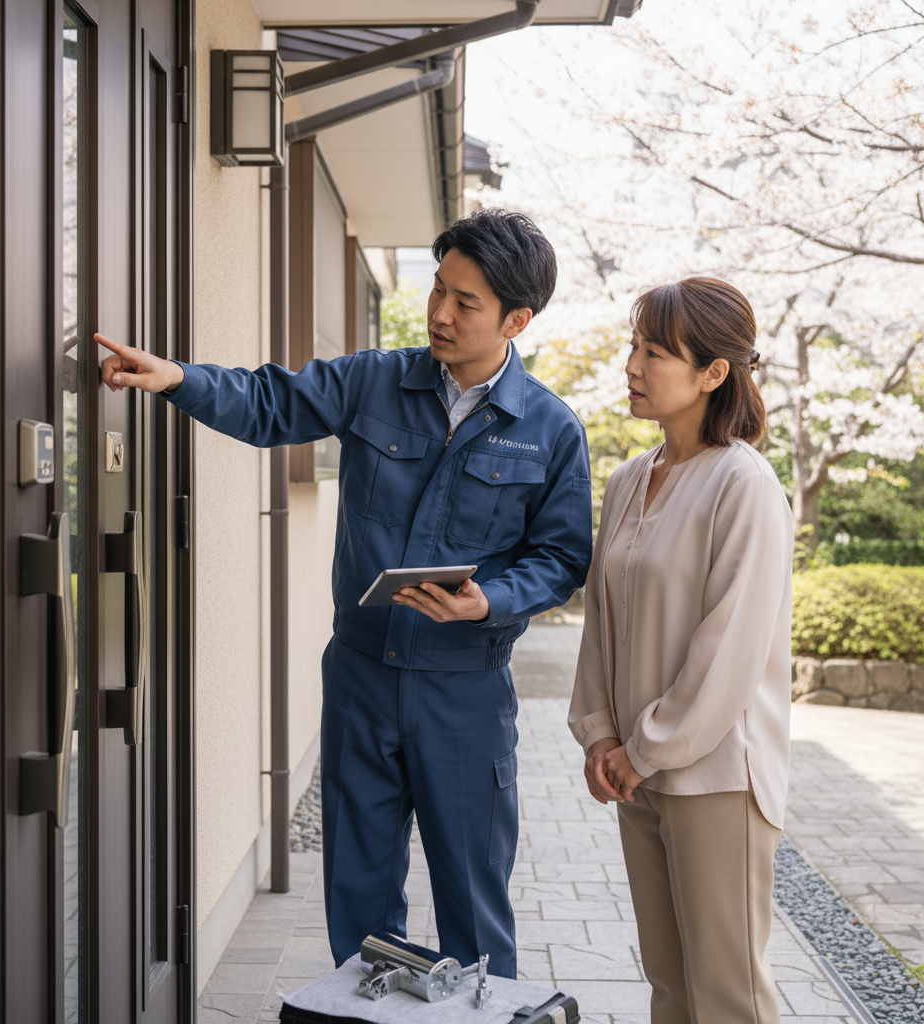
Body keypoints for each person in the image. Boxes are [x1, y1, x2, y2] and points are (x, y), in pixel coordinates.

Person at [98, 208, 593, 978]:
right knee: (359, 901)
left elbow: (561, 558)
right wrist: (178, 379)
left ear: (516, 320)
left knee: (473, 904)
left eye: (465, 302)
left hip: (464, 691)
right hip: (361, 679)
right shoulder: (374, 381)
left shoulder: (551, 429)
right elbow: (269, 402)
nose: (439, 312)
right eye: (438, 289)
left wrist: (489, 600)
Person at [568, 277, 793, 1023]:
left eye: (655, 353)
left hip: (717, 777)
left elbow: (730, 650)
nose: (632, 366)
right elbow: (601, 618)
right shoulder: (629, 480)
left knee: (727, 997)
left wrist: (645, 748)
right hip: (638, 769)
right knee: (668, 987)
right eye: (634, 346)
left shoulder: (744, 484)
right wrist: (602, 735)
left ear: (713, 372)